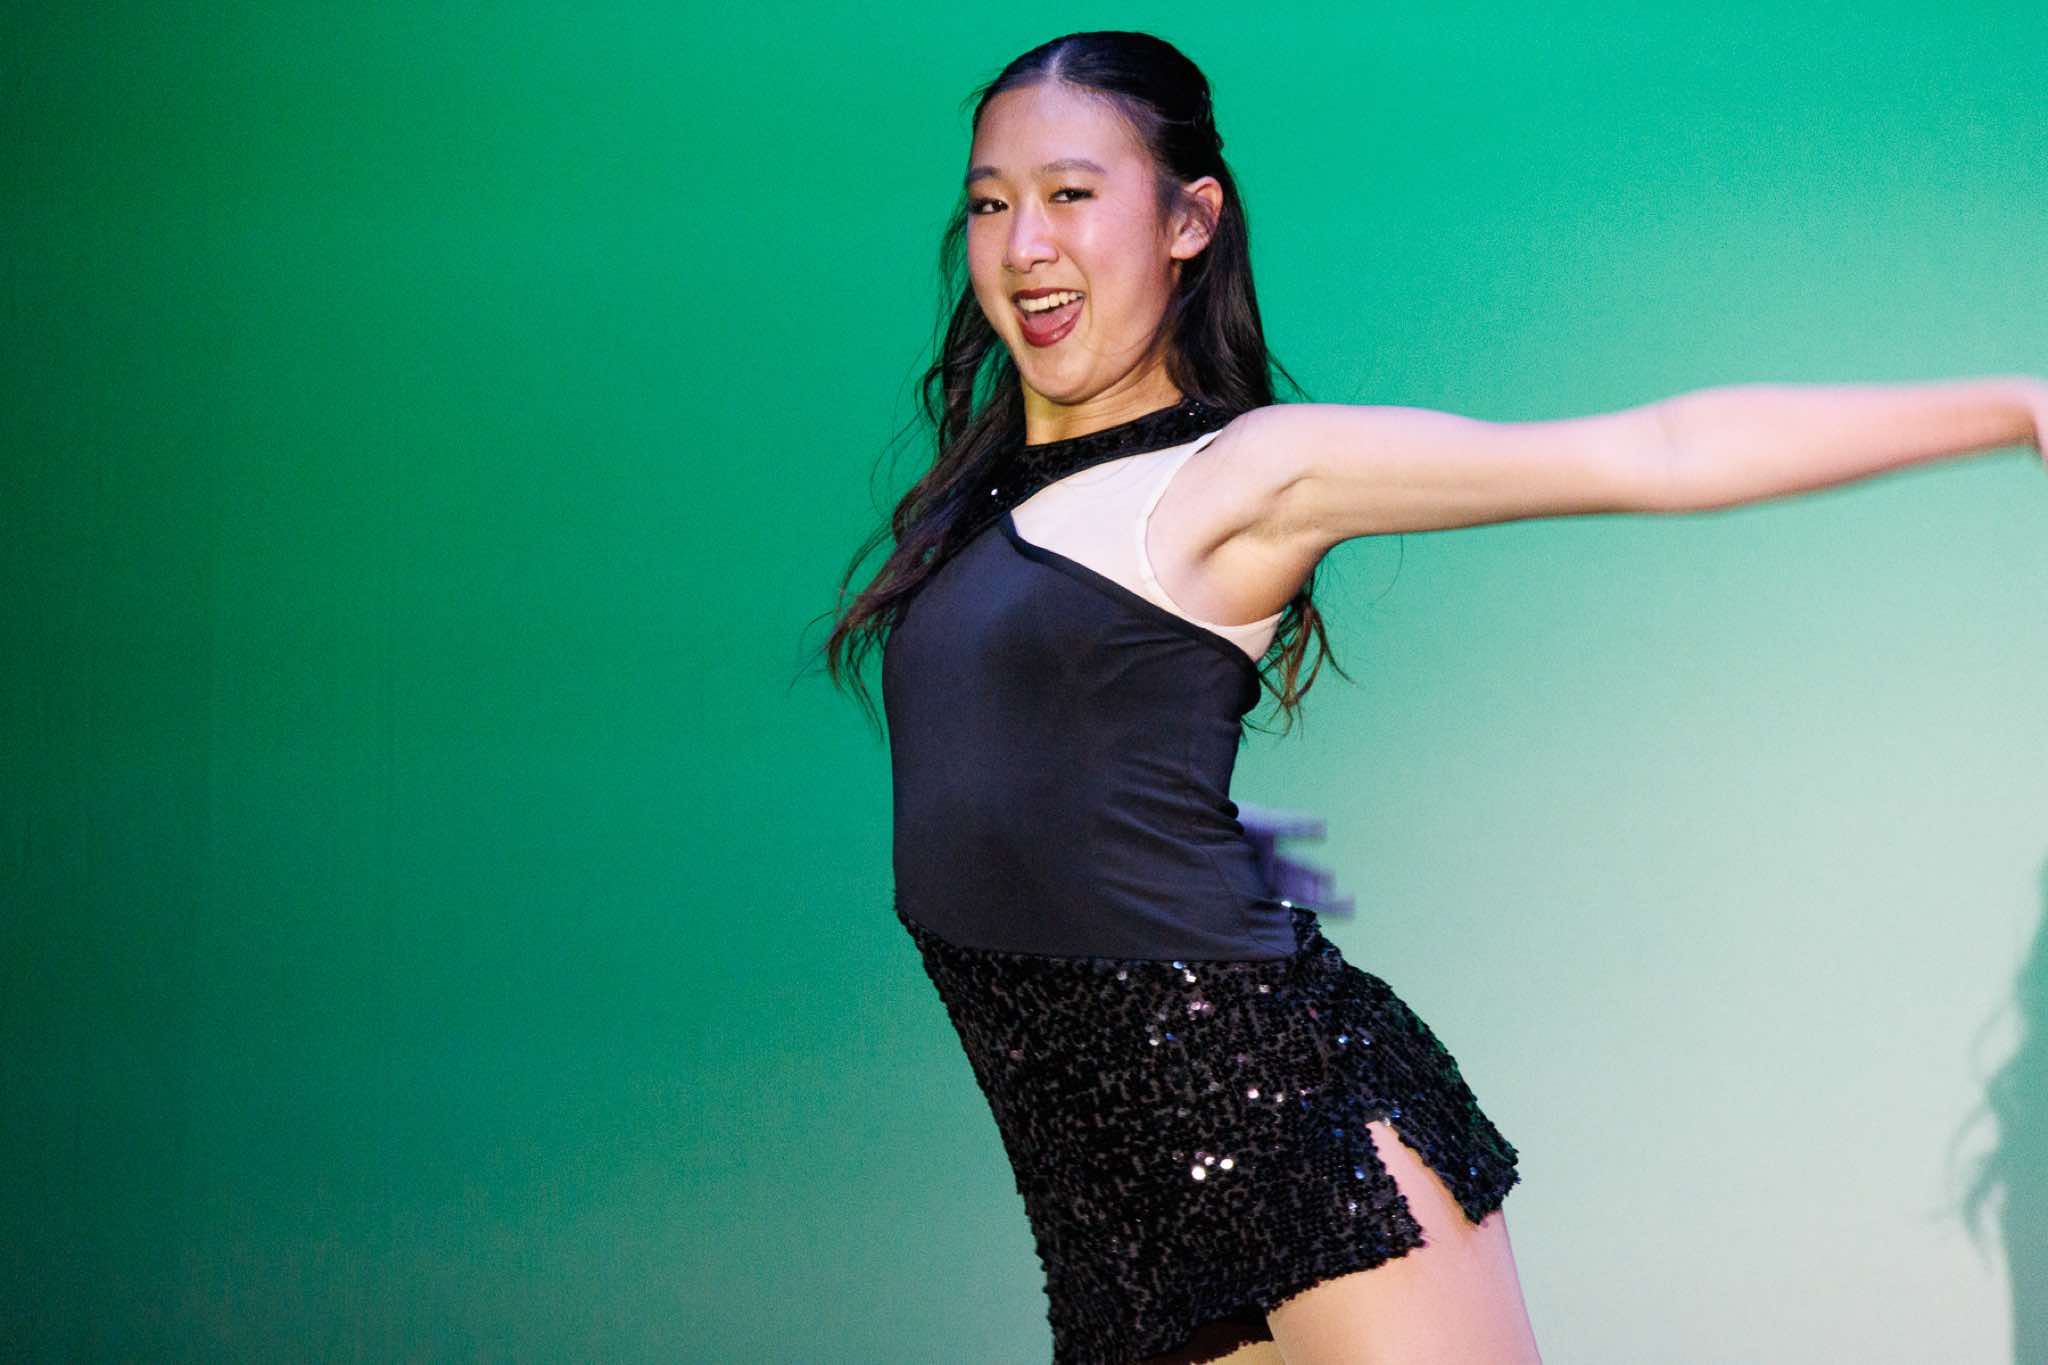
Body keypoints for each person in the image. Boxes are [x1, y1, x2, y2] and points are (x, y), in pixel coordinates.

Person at [816, 29, 2047, 1365]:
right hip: (1106, 1204)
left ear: (1188, 221)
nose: (1025, 243)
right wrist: (1175, 836)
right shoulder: (988, 500)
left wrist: (2016, 406)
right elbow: (1018, 760)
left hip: (1287, 1130)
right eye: (991, 203)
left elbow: (1655, 451)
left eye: (1071, 193)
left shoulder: (1242, 474)